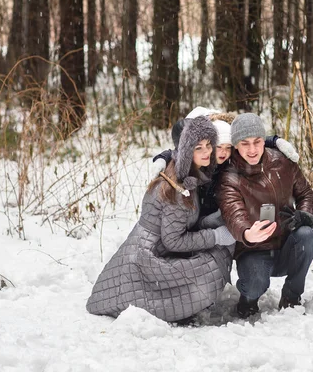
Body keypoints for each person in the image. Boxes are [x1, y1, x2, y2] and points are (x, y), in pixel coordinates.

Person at [86, 116, 235, 323]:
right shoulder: (177, 190)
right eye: (198, 148)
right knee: (207, 277)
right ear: (185, 151)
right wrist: (215, 236)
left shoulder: (188, 174)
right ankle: (174, 312)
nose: (208, 152)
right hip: (148, 257)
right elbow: (173, 241)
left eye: (209, 145)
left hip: (156, 249)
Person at [217, 113, 313, 318]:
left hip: (286, 243)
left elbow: (305, 193)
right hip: (254, 250)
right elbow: (232, 211)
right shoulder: (229, 177)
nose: (252, 150)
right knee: (254, 283)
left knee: (307, 236)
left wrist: (305, 214)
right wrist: (246, 232)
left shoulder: (282, 162)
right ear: (235, 145)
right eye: (245, 143)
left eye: (257, 142)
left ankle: (291, 296)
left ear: (264, 140)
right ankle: (248, 299)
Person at [150, 107, 300, 222]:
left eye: (227, 148)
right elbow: (179, 151)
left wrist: (274, 141)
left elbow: (247, 141)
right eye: (218, 147)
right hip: (198, 214)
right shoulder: (203, 157)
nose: (223, 152)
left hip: (221, 211)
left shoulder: (230, 154)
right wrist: (162, 158)